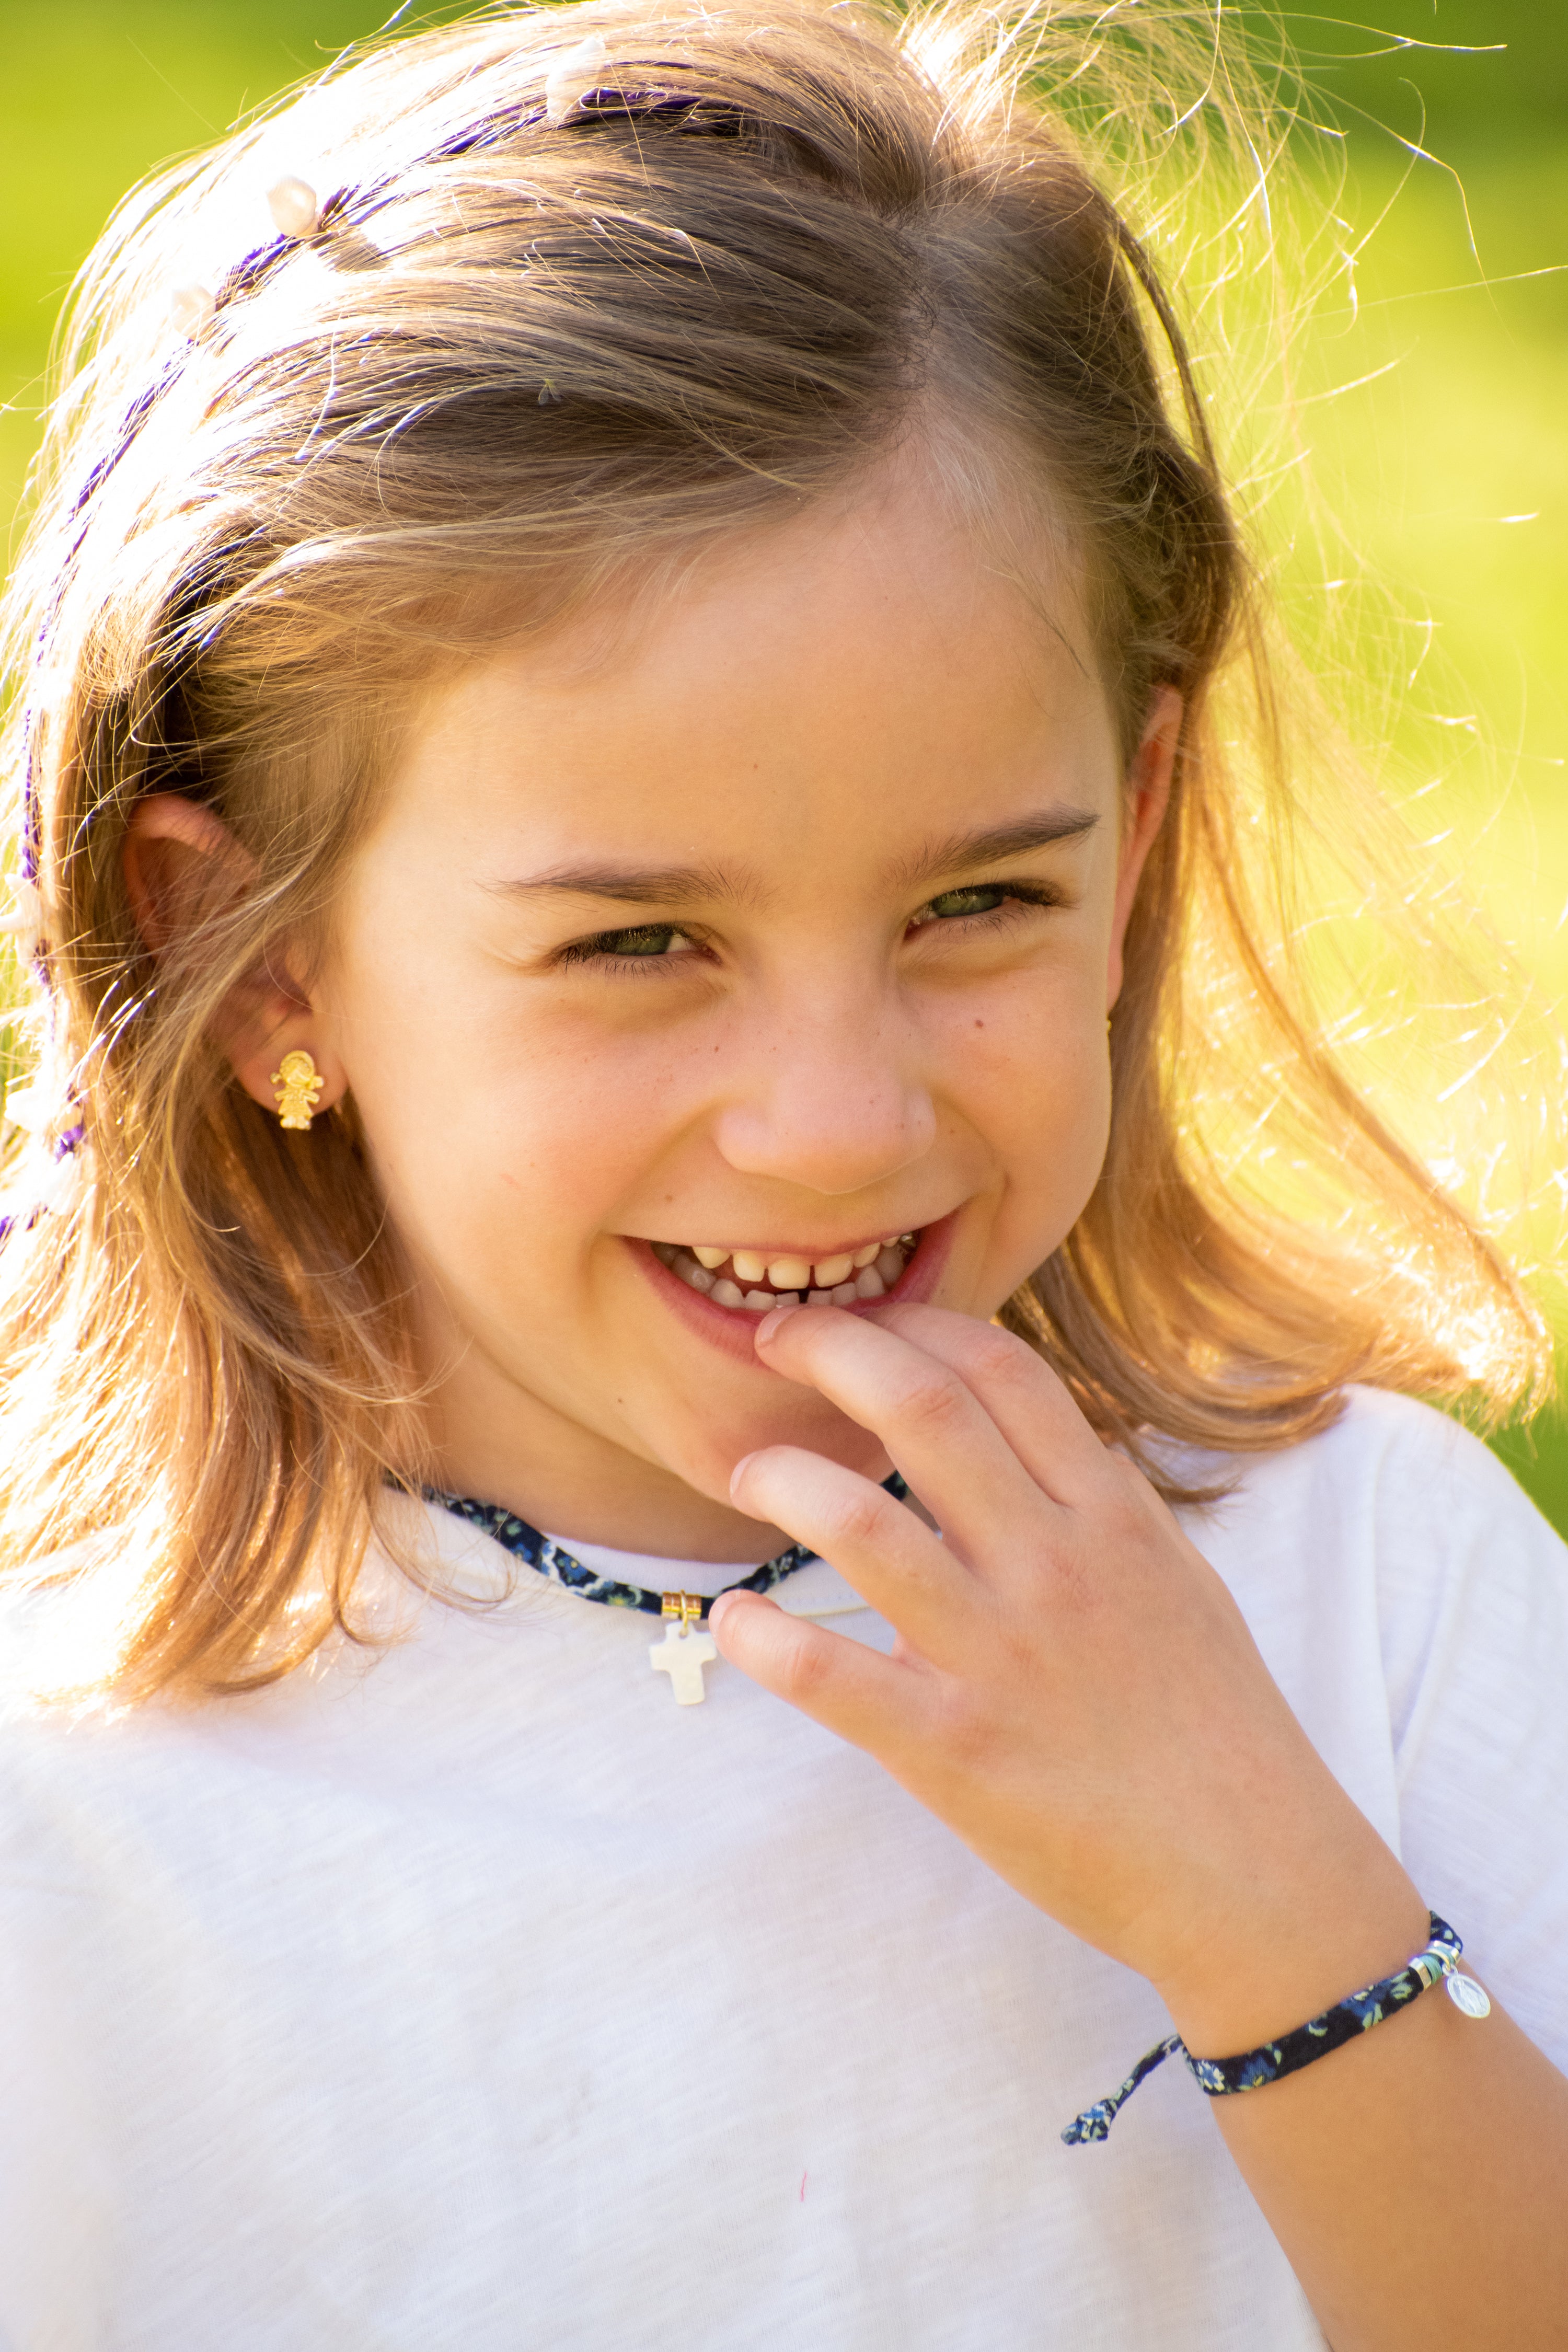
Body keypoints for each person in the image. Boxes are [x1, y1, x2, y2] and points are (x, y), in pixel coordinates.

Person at [1, 2, 1564, 2343]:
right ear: (255, 961)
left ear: (1130, 842)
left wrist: (1274, 1909)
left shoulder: (1371, 1589)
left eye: (977, 906)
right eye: (640, 942)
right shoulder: (75, 1814)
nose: (838, 1121)